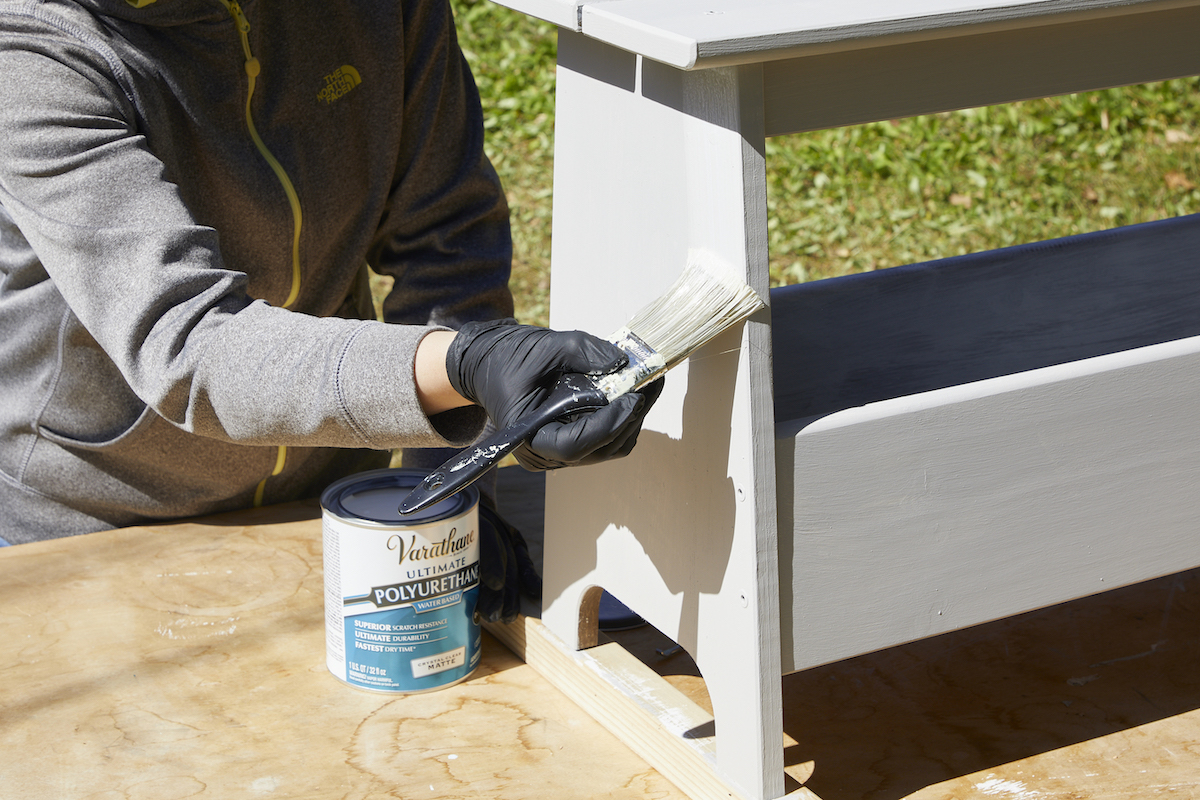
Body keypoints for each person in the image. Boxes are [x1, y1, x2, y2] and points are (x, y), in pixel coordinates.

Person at [0, 0, 660, 621]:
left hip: (335, 503)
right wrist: (467, 365)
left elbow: (446, 236)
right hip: (90, 529)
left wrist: (452, 485)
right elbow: (191, 347)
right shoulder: (31, 52)